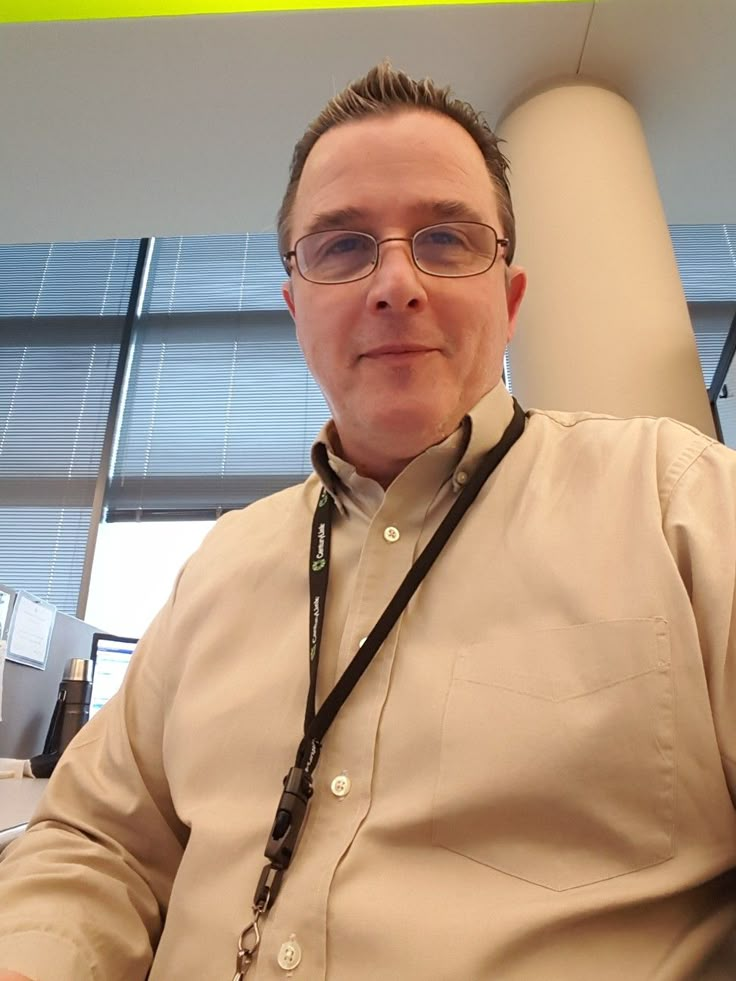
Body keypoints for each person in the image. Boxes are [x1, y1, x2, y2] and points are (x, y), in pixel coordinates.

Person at [1, 61, 736, 981]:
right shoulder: (220, 566)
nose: (395, 283)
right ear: (296, 307)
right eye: (344, 247)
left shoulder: (685, 505)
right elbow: (94, 840)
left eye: (446, 237)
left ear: (508, 301)